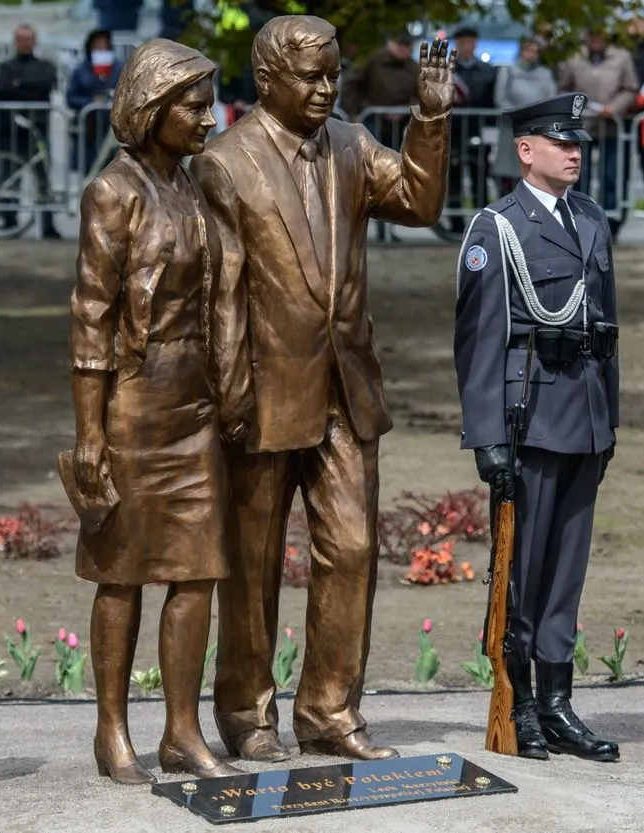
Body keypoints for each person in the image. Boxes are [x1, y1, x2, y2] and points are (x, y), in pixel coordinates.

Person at [189, 15, 452, 763]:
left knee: (355, 548)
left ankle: (331, 710)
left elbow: (419, 202)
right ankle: (246, 712)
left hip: (346, 386)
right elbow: (222, 295)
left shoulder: (350, 144)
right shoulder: (225, 163)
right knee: (254, 561)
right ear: (268, 79)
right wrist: (230, 390)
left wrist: (430, 120)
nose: (327, 87)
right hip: (264, 393)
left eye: (335, 74)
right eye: (312, 76)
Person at [64, 38, 242, 783]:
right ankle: (112, 731)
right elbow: (90, 319)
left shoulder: (197, 187)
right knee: (124, 571)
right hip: (133, 406)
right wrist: (89, 433)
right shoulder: (114, 191)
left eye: (209, 103)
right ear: (152, 108)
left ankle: (182, 731)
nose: (209, 118)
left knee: (197, 571)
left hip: (193, 405)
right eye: (194, 106)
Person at [452, 92, 620, 763]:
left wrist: (611, 419)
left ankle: (557, 702)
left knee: (566, 573)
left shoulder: (592, 218)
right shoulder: (498, 227)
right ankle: (518, 701)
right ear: (526, 149)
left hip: (584, 419)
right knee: (522, 570)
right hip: (531, 418)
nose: (574, 152)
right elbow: (478, 339)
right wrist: (487, 434)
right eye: (560, 141)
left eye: (579, 143)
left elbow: (607, 330)